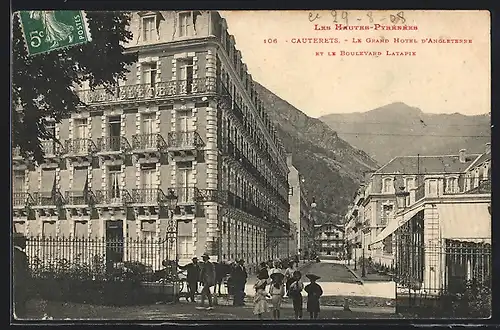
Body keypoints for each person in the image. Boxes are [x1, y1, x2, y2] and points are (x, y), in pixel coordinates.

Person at [13, 233, 31, 319]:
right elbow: (24, 271)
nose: (25, 244)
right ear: (19, 242)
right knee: (20, 302)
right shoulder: (21, 255)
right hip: (20, 283)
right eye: (24, 241)